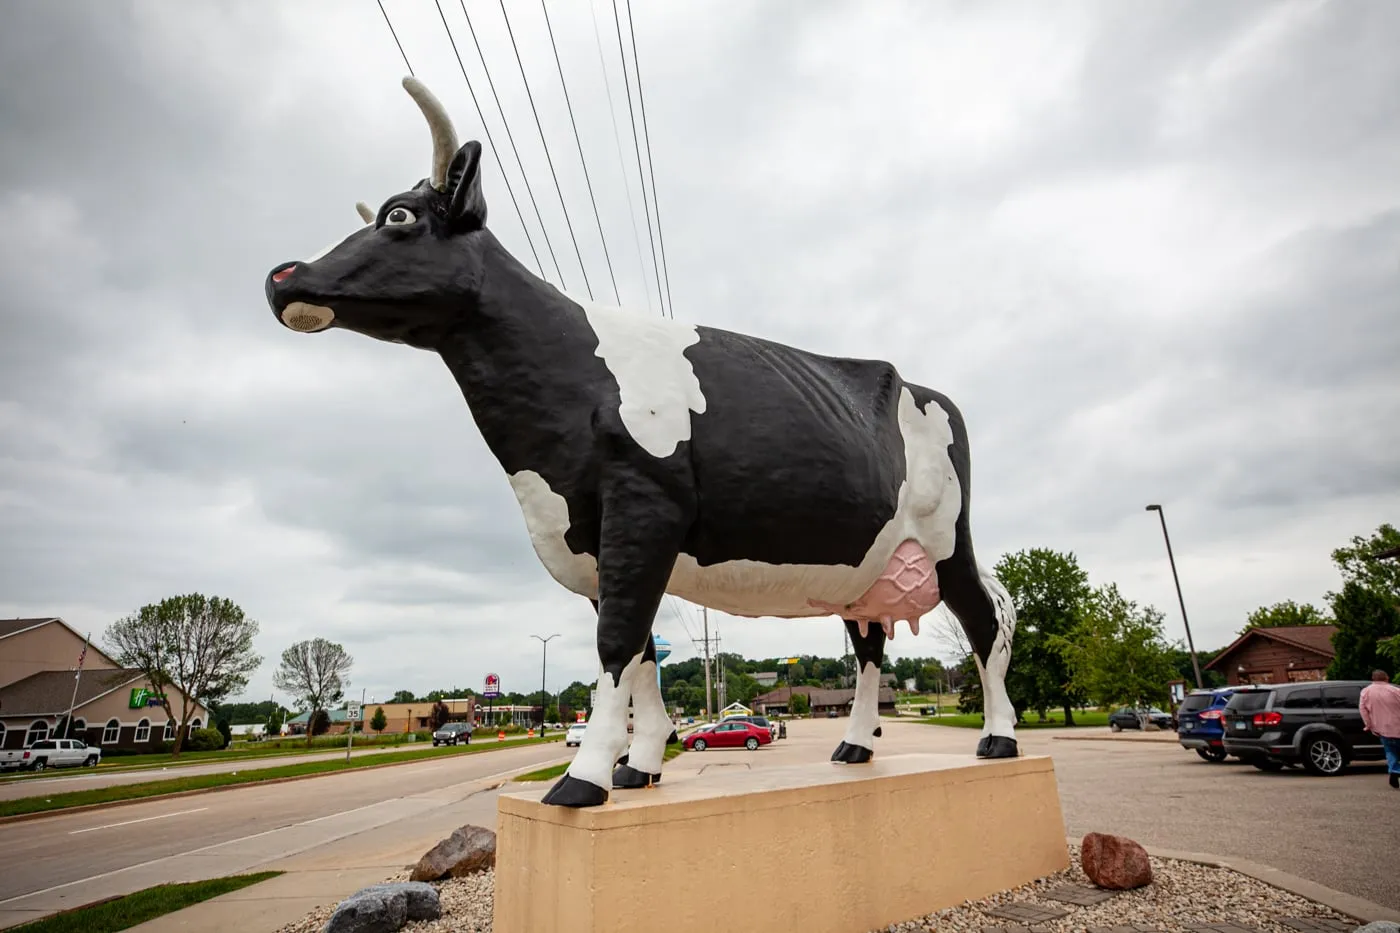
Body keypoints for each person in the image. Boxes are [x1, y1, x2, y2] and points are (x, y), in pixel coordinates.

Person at [1358, 670, 1400, 789]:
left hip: (1381, 728)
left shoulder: (1365, 692)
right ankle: (1396, 770)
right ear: (1386, 678)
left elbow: (1363, 710)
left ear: (1373, 679)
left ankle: (1394, 770)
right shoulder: (1395, 691)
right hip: (1398, 726)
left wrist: (1368, 725)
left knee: (1390, 751)